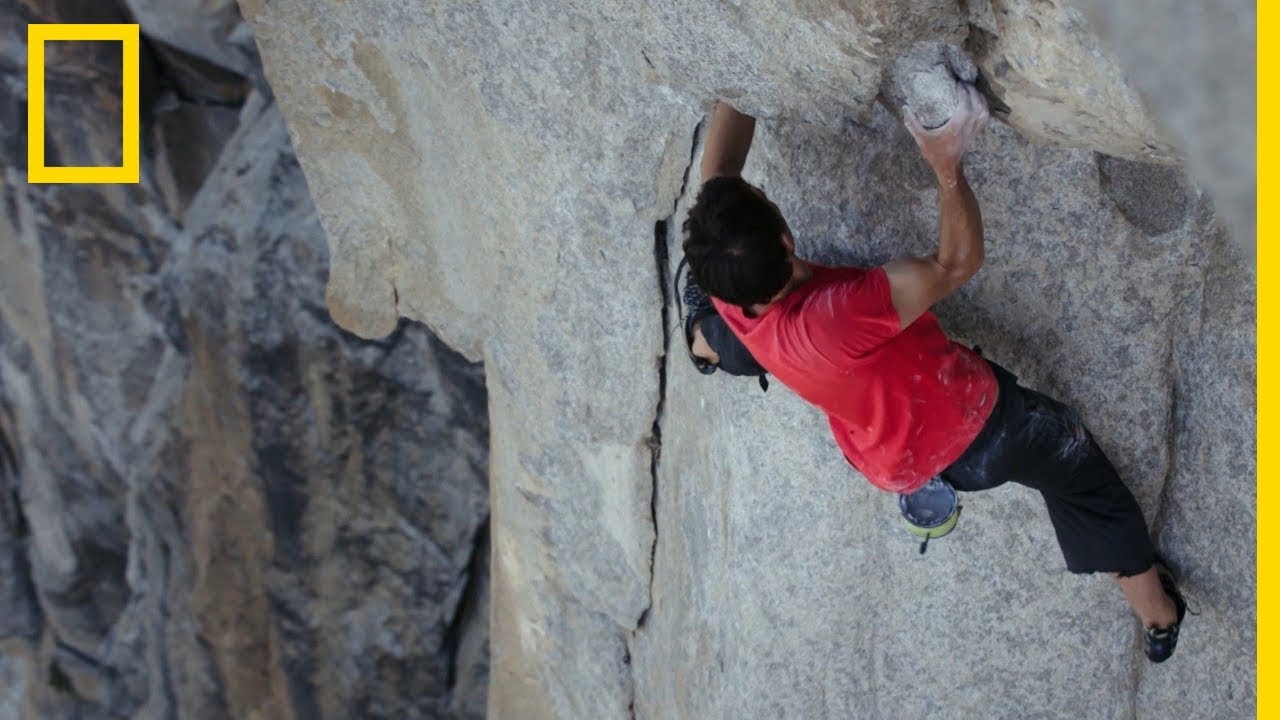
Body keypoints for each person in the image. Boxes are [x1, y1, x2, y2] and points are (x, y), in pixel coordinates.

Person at [680, 85, 1191, 663]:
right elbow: (955, 263)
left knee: (737, 340)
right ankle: (1156, 613)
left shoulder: (726, 281)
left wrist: (754, 67)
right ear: (784, 239)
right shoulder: (841, 315)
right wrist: (946, 167)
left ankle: (703, 342)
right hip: (975, 437)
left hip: (883, 453)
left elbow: (718, 170)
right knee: (1077, 472)